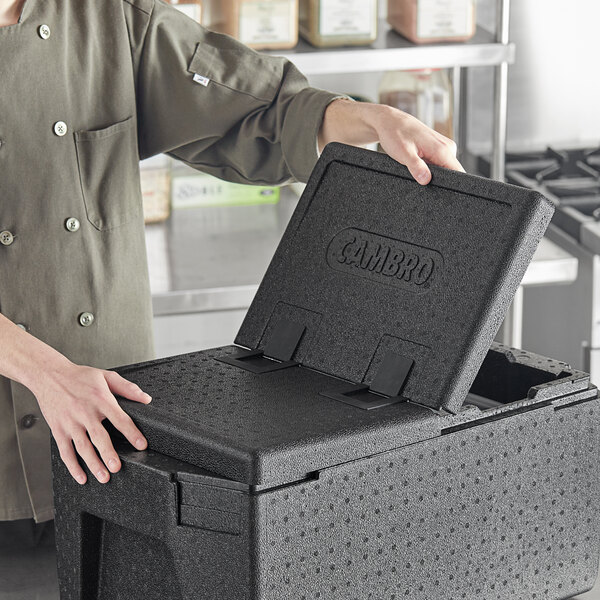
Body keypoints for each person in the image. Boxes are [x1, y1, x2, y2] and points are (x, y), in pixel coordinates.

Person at [0, 0, 463, 531]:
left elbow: (253, 105)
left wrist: (366, 118)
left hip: (112, 430)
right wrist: (48, 374)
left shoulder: (108, 14)